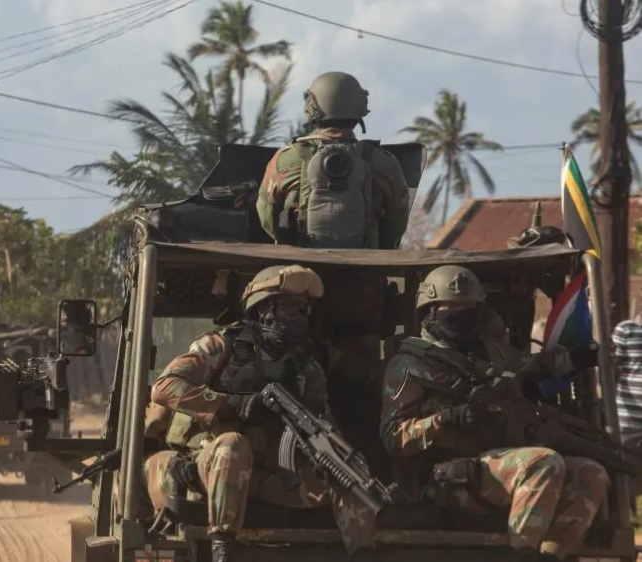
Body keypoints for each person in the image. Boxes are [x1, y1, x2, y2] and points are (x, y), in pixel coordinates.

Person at [142, 264, 375, 562]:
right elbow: (164, 386)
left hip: (272, 476)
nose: (298, 318)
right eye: (290, 308)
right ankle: (222, 548)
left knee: (349, 470)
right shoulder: (219, 346)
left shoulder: (306, 368)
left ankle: (364, 553)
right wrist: (230, 404)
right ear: (262, 310)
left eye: (303, 311)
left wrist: (325, 453)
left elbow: (324, 423)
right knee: (233, 445)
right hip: (210, 467)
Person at [380, 265, 607, 562]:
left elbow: (533, 367)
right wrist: (447, 419)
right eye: (452, 307)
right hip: (446, 477)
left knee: (592, 473)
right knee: (543, 462)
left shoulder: (492, 352)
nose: (462, 314)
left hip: (503, 464)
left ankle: (549, 556)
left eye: (469, 308)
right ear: (431, 312)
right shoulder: (408, 364)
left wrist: (575, 359)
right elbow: (393, 437)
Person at [256, 71, 410, 250]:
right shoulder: (384, 162)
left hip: (299, 270)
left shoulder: (285, 159)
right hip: (364, 271)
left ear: (311, 106)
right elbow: (396, 223)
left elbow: (266, 215)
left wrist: (289, 245)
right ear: (360, 106)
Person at [611, 312, 642, 515]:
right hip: (628, 417)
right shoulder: (627, 330)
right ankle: (623, 516)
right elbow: (610, 367)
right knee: (624, 470)